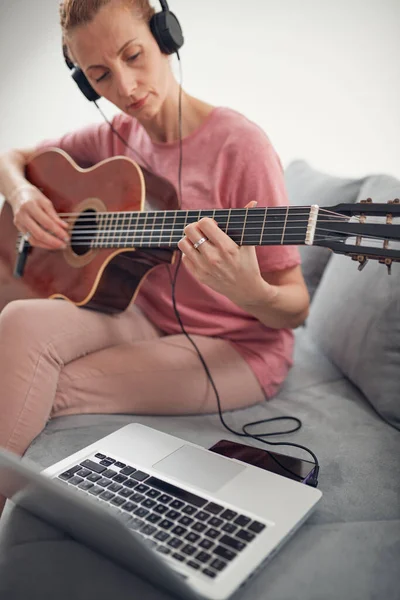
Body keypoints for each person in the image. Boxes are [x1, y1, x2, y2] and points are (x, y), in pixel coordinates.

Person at [0, 0, 309, 515]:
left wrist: (248, 291)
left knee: (40, 381)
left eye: (133, 55)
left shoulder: (242, 146)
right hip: (144, 311)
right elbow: (14, 159)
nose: (123, 87)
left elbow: (295, 308)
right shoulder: (112, 139)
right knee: (15, 322)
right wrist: (23, 196)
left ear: (166, 36)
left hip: (238, 347)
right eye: (99, 75)